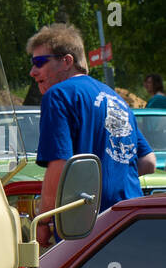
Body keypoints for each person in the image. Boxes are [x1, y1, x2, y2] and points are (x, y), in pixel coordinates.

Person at [29, 26, 154, 245]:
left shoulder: (57, 95)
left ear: (67, 61)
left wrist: (42, 221)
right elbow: (148, 161)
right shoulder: (117, 100)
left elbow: (59, 164)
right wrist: (111, 173)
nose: (32, 71)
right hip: (131, 221)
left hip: (85, 228)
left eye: (40, 63)